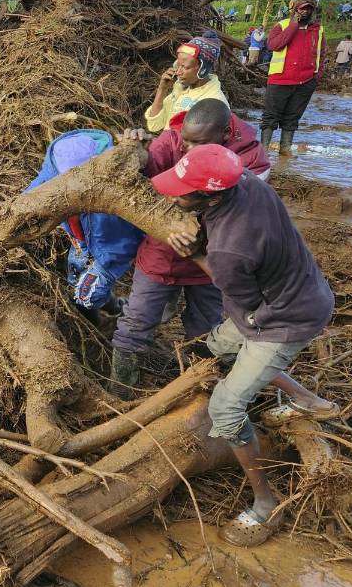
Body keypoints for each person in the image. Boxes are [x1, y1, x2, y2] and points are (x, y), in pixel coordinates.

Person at [155, 144, 338, 547]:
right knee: (218, 347)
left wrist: (195, 251)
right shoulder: (250, 183)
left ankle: (265, 503)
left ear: (211, 194)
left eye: (183, 191)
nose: (174, 194)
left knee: (226, 404)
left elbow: (239, 296)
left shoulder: (228, 250)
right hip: (302, 288)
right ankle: (309, 400)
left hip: (284, 318)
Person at [111, 100, 271, 387]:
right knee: (136, 321)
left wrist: (199, 237)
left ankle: (195, 387)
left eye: (198, 143)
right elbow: (145, 176)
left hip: (211, 261)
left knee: (204, 329)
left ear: (224, 134)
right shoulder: (172, 139)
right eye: (186, 140)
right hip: (162, 251)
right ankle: (121, 390)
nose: (187, 148)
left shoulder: (249, 157)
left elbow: (245, 213)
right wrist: (135, 150)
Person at [26, 130, 143, 325]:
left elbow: (124, 241)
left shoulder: (111, 197)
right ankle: (111, 307)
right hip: (81, 241)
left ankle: (122, 315)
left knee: (86, 296)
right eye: (64, 181)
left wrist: (105, 267)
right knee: (75, 283)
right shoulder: (57, 162)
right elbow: (34, 192)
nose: (67, 188)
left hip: (109, 250)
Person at [262, 0, 323, 156]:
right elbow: (274, 45)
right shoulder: (281, 25)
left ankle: (285, 149)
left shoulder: (318, 30)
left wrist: (316, 76)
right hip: (280, 79)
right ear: (295, 9)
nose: (305, 11)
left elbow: (321, 53)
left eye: (309, 8)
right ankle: (263, 151)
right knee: (270, 117)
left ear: (313, 10)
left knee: (292, 117)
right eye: (302, 8)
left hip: (305, 82)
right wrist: (293, 26)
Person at [144, 31, 228, 132]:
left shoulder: (214, 101)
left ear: (203, 69)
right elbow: (154, 126)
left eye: (185, 67)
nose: (178, 72)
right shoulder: (180, 89)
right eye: (178, 65)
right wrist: (162, 89)